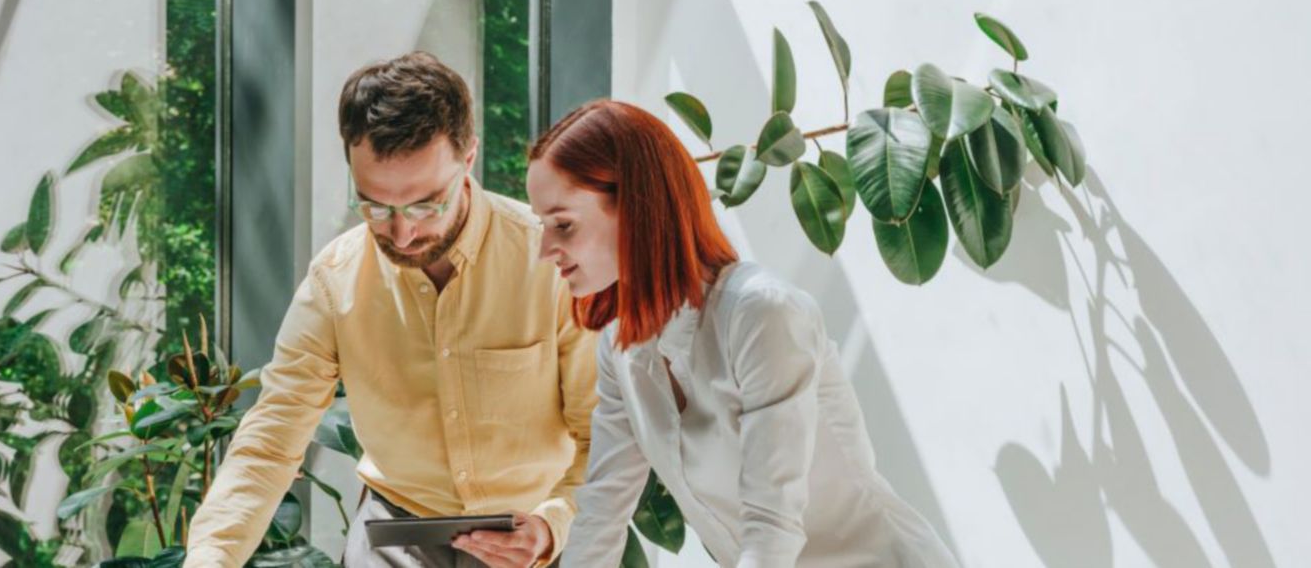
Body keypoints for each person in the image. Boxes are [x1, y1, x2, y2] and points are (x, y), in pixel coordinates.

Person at [186, 53, 592, 568]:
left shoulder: (552, 265)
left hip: (533, 540)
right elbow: (271, 439)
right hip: (396, 538)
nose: (402, 233)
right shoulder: (337, 280)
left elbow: (600, 437)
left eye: (426, 204)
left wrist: (552, 524)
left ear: (469, 158)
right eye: (375, 206)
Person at [518, 100, 959, 567]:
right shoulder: (621, 346)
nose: (546, 250)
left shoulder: (762, 314)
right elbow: (601, 513)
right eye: (543, 226)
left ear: (637, 207)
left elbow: (772, 529)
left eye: (563, 225)